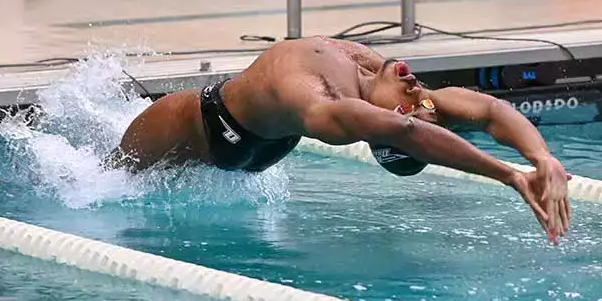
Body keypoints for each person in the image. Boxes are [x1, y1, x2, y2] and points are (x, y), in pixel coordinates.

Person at [108, 36, 572, 243]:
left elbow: (411, 129)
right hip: (234, 133)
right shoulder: (376, 77)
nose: (418, 88)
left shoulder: (332, 107)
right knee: (114, 182)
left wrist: (509, 176)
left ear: (385, 120)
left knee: (102, 187)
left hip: (205, 126)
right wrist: (540, 157)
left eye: (413, 100)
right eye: (421, 94)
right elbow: (489, 110)